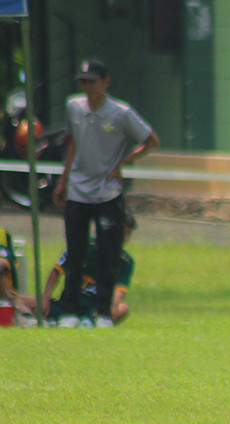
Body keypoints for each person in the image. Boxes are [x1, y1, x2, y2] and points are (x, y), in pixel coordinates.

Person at [52, 59, 159, 329]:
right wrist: (63, 180)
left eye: (92, 81)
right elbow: (73, 141)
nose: (87, 87)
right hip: (78, 189)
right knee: (75, 253)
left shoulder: (120, 112)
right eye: (83, 82)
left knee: (107, 254)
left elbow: (151, 141)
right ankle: (70, 312)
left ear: (105, 82)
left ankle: (103, 314)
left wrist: (121, 164)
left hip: (107, 192)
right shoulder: (73, 106)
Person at [22, 210, 136, 327]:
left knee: (123, 308)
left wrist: (112, 304)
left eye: (127, 234)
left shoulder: (125, 261)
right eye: (120, 233)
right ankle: (41, 319)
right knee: (18, 299)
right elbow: (57, 270)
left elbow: (120, 290)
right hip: (67, 304)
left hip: (94, 308)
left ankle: (88, 323)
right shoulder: (83, 245)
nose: (123, 238)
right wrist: (45, 298)